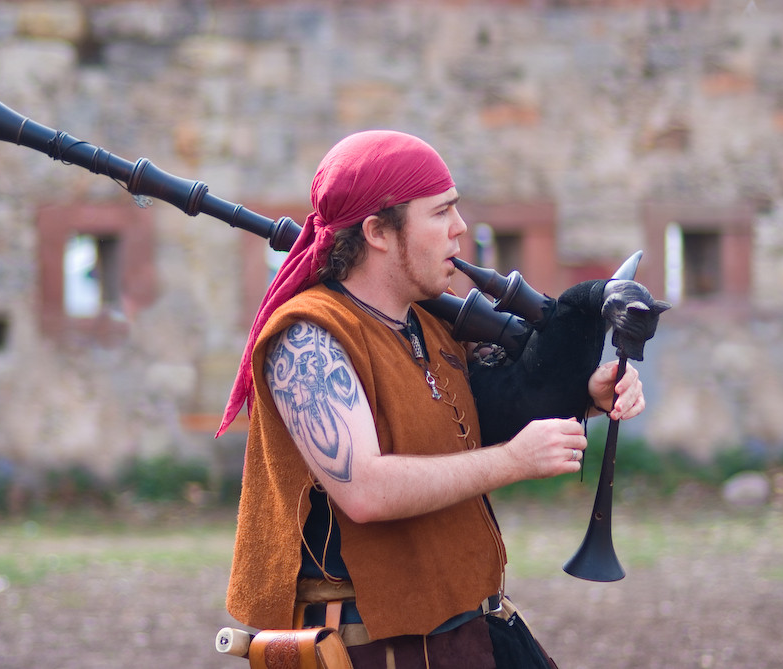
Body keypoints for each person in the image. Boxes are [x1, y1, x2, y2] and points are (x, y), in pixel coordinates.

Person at [216, 130, 647, 668]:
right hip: (372, 650)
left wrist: (587, 394)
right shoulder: (308, 338)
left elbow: (483, 413)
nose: (460, 228)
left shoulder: (431, 324)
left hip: (472, 633)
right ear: (377, 231)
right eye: (440, 213)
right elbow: (365, 491)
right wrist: (513, 462)